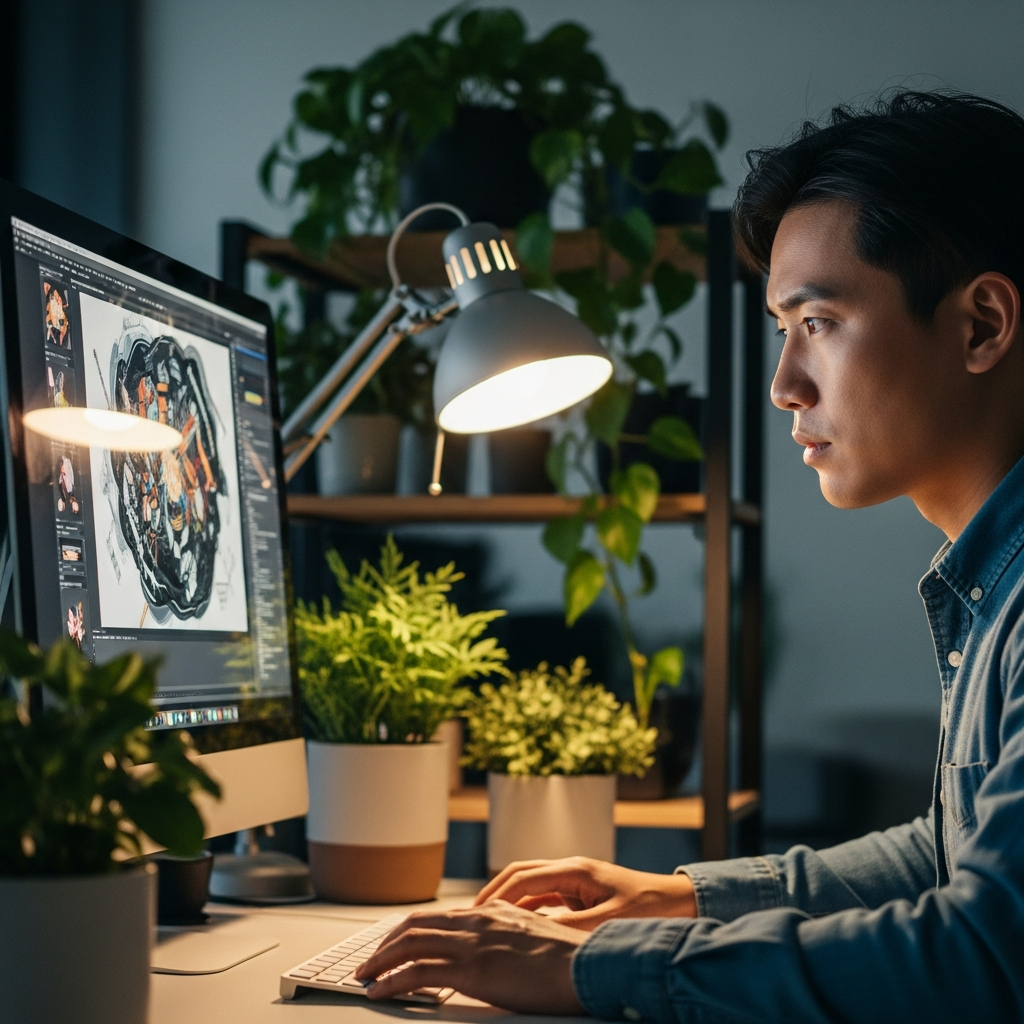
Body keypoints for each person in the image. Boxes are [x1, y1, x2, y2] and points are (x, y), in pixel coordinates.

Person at [356, 91, 1024, 1022]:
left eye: (818, 322)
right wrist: (677, 895)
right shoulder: (992, 583)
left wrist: (594, 969)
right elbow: (951, 853)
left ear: (983, 325)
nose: (785, 385)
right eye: (781, 333)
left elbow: (987, 957)